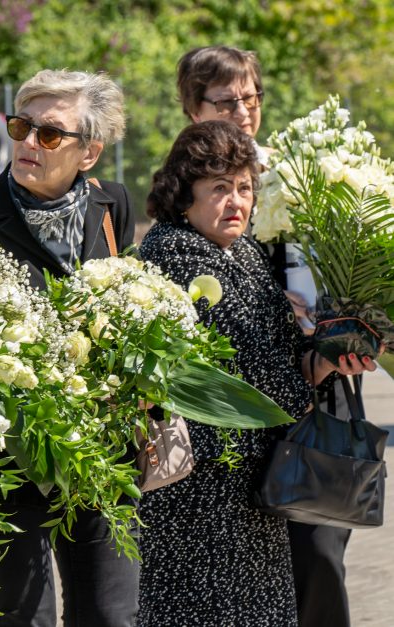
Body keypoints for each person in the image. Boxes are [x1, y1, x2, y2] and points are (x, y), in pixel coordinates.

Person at [135, 120, 376, 626]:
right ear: (183, 194)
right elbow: (257, 384)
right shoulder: (178, 257)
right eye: (219, 188)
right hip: (202, 498)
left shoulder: (238, 251)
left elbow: (281, 361)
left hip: (249, 490)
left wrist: (332, 353)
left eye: (244, 187)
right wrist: (315, 366)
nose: (236, 201)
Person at [176, 44, 357, 626]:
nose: (244, 110)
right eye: (226, 99)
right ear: (192, 108)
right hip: (232, 417)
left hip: (313, 397)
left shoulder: (298, 169)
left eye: (251, 97)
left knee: (320, 558)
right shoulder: (185, 188)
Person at [0, 69, 137, 627]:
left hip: (99, 458)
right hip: (6, 465)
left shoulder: (114, 207)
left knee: (111, 616)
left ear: (89, 153)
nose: (29, 143)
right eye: (21, 126)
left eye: (50, 134)